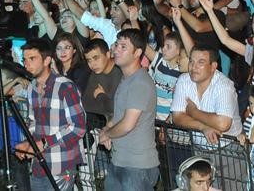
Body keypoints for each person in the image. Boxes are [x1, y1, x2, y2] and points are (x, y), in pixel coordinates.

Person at [15, 38, 86, 190]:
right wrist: (28, 143)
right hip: (38, 164)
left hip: (61, 165)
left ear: (47, 60)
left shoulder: (65, 87)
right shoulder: (32, 87)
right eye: (24, 59)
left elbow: (78, 128)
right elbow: (33, 123)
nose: (26, 64)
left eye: (32, 58)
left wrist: (44, 143)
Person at [170, 46, 245, 190]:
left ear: (213, 66)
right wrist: (203, 127)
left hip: (228, 150)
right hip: (199, 150)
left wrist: (193, 112)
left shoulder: (223, 86)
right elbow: (177, 117)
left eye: (201, 62)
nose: (193, 67)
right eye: (191, 61)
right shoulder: (184, 80)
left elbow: (223, 124)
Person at [99, 29, 160, 190]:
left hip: (137, 166)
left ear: (137, 53)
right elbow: (118, 116)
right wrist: (106, 128)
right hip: (120, 161)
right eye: (116, 45)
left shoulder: (140, 83)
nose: (116, 49)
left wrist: (107, 134)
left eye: (123, 47)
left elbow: (127, 124)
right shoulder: (126, 79)